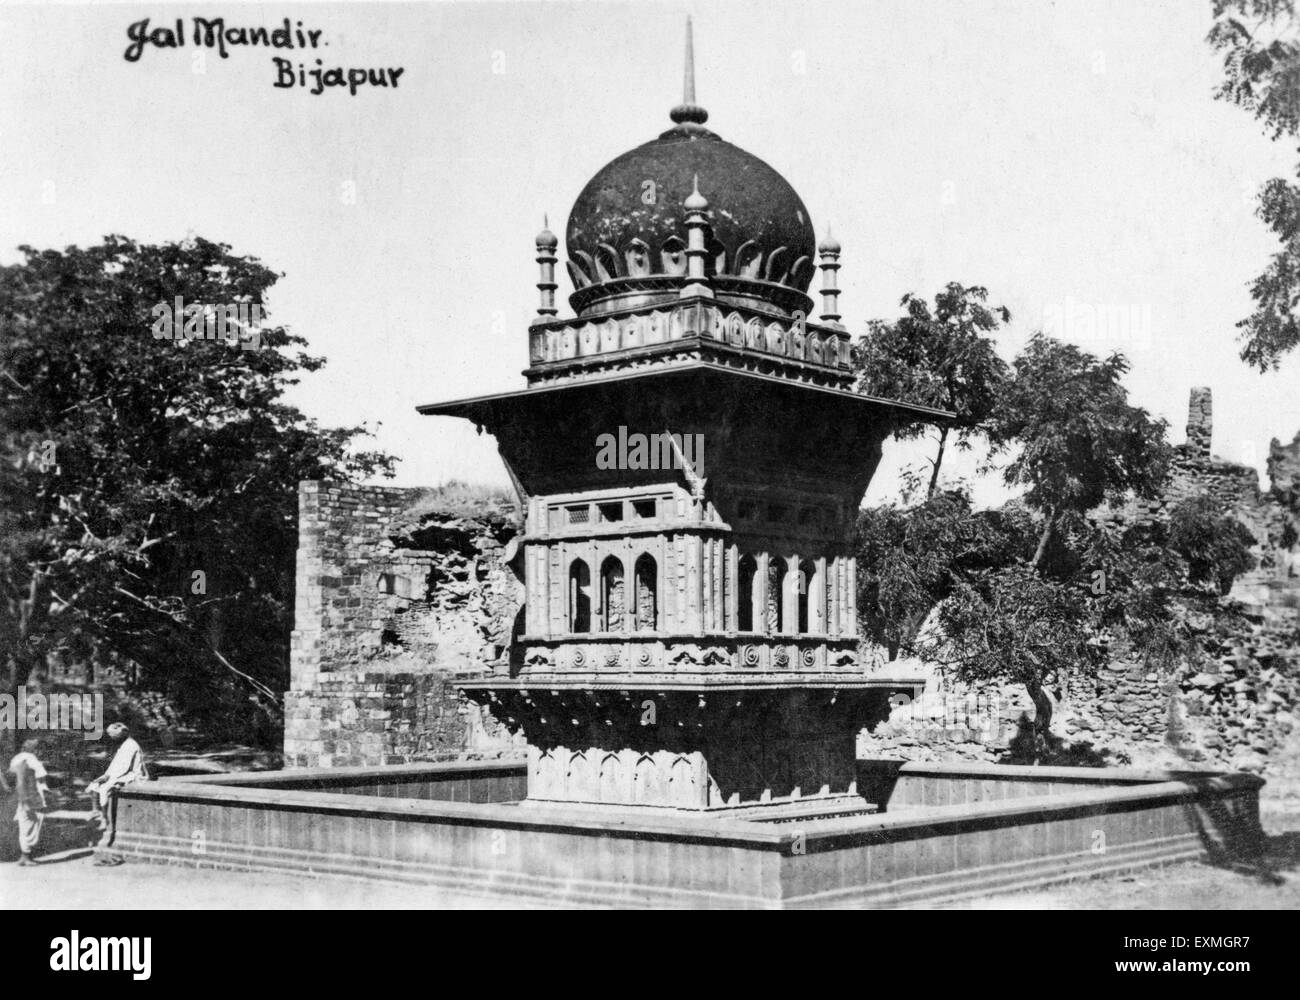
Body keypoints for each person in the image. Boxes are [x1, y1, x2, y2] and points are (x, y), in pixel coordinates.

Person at [87, 723, 148, 848]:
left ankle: (105, 819)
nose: (112, 739)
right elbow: (115, 765)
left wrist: (109, 777)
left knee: (105, 788)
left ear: (121, 735)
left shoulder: (130, 745)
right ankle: (96, 811)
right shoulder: (124, 744)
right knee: (94, 785)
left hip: (132, 773)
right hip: (118, 773)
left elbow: (124, 767)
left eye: (114, 736)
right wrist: (106, 775)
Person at [9, 738, 50, 866]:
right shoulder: (28, 760)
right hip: (31, 797)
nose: (41, 752)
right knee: (32, 824)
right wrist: (26, 801)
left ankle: (25, 855)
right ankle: (26, 856)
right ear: (35, 749)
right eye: (39, 749)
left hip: (25, 796)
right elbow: (23, 782)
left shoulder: (18, 758)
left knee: (26, 825)